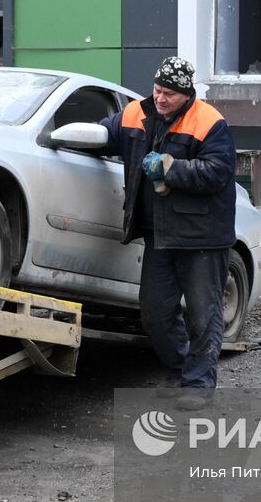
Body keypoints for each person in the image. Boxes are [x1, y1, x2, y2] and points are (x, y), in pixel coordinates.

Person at [98, 56, 236, 410]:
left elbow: (218, 172)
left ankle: (199, 383)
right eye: (157, 90)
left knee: (204, 315)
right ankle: (180, 370)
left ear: (186, 94)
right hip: (159, 234)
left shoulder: (209, 122)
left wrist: (170, 168)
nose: (160, 99)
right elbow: (102, 134)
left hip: (202, 236)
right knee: (154, 313)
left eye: (169, 94)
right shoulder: (134, 114)